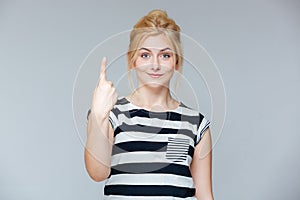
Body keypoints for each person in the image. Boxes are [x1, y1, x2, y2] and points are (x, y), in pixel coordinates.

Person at [85, 9, 214, 200]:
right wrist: (99, 114)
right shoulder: (112, 114)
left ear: (177, 62)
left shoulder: (195, 124)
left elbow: (204, 194)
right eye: (145, 55)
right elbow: (97, 173)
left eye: (165, 55)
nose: (155, 65)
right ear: (132, 61)